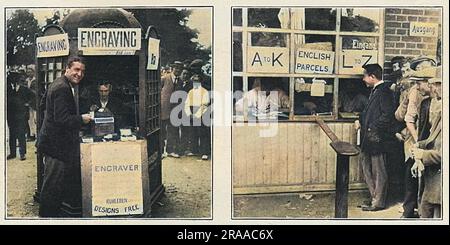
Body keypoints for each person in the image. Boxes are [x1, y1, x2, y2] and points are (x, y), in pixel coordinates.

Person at [36, 56, 92, 217]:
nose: (79, 74)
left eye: (82, 71)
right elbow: (62, 119)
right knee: (52, 188)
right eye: (76, 69)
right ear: (67, 69)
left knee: (53, 186)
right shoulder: (62, 88)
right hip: (55, 147)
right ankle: (46, 218)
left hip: (53, 143)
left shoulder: (58, 83)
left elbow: (42, 105)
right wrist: (82, 118)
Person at [355, 63, 396, 211]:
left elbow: (388, 115)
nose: (363, 79)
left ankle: (378, 202)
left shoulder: (384, 92)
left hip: (378, 139)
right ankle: (373, 199)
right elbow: (369, 112)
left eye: (365, 76)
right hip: (369, 139)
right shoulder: (375, 91)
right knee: (367, 168)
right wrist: (360, 120)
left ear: (372, 77)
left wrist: (373, 128)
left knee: (378, 172)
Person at [410, 66, 442, 218]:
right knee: (425, 207)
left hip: (440, 178)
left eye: (438, 84)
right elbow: (433, 138)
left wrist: (423, 154)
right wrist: (419, 147)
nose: (434, 88)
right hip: (433, 174)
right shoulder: (436, 105)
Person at [7, 71, 34, 160]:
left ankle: (22, 154)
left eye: (15, 79)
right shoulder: (8, 90)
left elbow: (33, 96)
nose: (13, 81)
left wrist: (27, 103)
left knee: (21, 134)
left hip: (21, 115)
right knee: (12, 135)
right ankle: (13, 153)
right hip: (11, 116)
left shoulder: (24, 89)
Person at [184, 74, 211, 160]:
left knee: (203, 133)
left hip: (202, 114)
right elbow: (186, 104)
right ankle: (193, 150)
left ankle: (204, 152)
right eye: (194, 82)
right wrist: (189, 114)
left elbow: (204, 105)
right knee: (193, 132)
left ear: (200, 82)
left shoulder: (205, 92)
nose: (196, 83)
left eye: (197, 82)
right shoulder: (190, 92)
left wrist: (197, 115)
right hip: (192, 113)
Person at [161, 61, 183, 158]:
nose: (178, 70)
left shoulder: (181, 81)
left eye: (179, 69)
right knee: (162, 130)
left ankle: (170, 150)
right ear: (172, 68)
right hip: (164, 108)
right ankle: (161, 151)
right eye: (176, 68)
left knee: (173, 130)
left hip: (175, 109)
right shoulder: (165, 78)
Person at [177, 64, 194, 156]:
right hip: (177, 110)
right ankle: (177, 149)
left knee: (186, 130)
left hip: (187, 110)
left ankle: (184, 148)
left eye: (187, 74)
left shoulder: (191, 85)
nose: (185, 76)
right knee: (175, 131)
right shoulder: (177, 83)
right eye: (184, 74)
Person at [25, 66, 37, 141]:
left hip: (34, 102)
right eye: (28, 72)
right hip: (28, 102)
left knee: (35, 119)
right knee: (30, 119)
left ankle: (36, 134)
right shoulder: (26, 81)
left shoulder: (35, 81)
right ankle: (31, 134)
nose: (29, 73)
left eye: (30, 72)